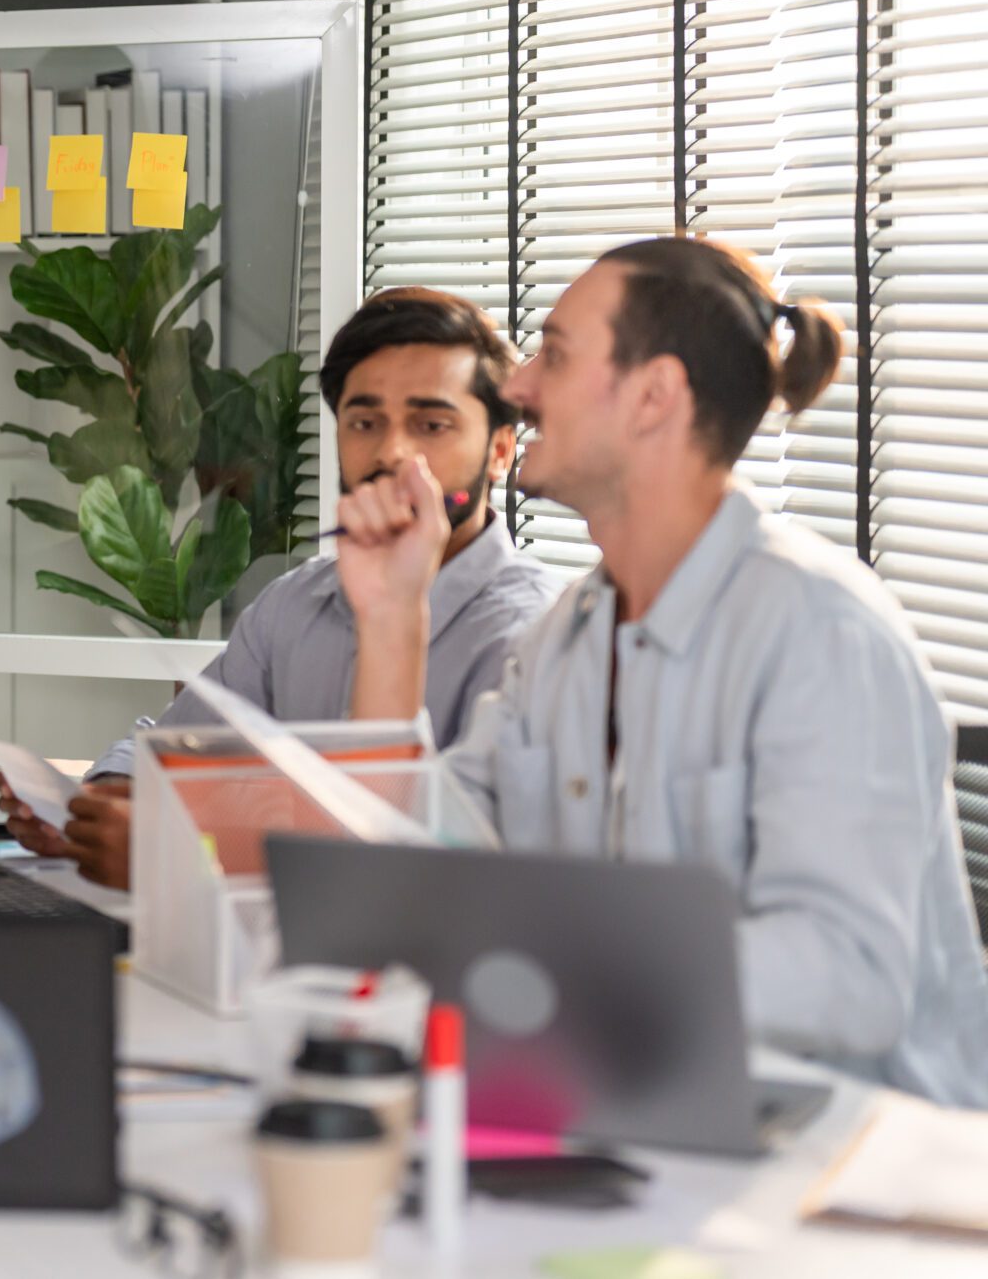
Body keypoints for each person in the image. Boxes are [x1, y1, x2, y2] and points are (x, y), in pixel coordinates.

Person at [338, 237, 988, 1106]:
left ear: (655, 396)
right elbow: (406, 864)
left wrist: (550, 955)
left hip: (854, 1171)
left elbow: (849, 977)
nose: (517, 386)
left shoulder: (823, 633)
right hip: (649, 1119)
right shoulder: (565, 639)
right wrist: (391, 617)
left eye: (556, 355)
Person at [1, 288, 565, 886]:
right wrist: (103, 807)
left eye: (431, 424)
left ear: (500, 450)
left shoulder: (531, 632)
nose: (392, 452)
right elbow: (177, 748)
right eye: (364, 422)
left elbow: (432, 862)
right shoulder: (299, 600)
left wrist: (184, 852)